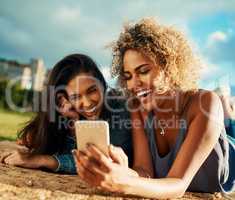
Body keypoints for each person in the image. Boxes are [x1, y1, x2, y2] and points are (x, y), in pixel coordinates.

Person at [73, 18, 235, 198]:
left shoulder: (204, 103)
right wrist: (122, 170)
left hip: (228, 152)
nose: (134, 83)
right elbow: (144, 172)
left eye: (143, 71)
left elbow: (178, 184)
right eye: (128, 76)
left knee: (226, 114)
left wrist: (124, 183)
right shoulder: (138, 108)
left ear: (169, 66)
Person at [0, 54, 133, 174]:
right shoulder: (73, 115)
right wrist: (72, 122)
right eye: (75, 97)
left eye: (92, 90)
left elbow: (94, 164)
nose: (86, 104)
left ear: (102, 84)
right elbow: (32, 139)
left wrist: (41, 160)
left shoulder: (120, 111)